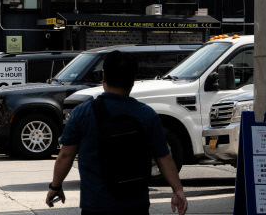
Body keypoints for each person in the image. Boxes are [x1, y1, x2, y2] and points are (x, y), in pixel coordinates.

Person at [45, 51, 188, 215]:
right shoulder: (147, 115)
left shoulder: (82, 113)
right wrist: (178, 190)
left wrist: (55, 186)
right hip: (136, 205)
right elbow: (163, 157)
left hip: (96, 205)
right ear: (133, 81)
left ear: (103, 77)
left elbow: (65, 155)